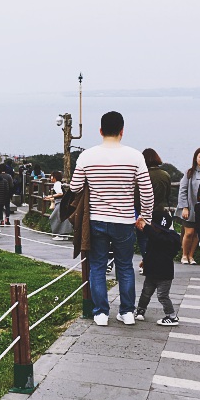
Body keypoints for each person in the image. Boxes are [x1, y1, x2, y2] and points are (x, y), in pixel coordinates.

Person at [69, 111, 154, 326]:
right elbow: (146, 190)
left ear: (100, 131)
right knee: (125, 266)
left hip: (96, 219)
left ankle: (100, 313)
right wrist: (146, 217)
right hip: (125, 221)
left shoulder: (87, 156)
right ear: (122, 131)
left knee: (97, 265)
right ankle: (127, 312)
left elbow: (75, 187)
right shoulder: (135, 156)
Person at [134, 211, 181, 326]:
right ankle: (140, 310)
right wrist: (145, 261)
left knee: (162, 296)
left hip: (165, 274)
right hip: (151, 272)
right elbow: (150, 249)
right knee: (146, 292)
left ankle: (172, 316)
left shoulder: (171, 238)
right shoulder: (154, 237)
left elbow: (158, 238)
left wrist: (146, 227)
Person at [136, 148, 171, 273]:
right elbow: (168, 193)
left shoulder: (142, 176)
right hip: (160, 211)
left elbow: (136, 196)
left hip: (144, 211)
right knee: (156, 238)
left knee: (143, 239)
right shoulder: (165, 175)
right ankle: (155, 263)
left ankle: (147, 263)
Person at [44, 171, 67, 241]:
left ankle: (59, 234)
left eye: (52, 176)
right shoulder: (59, 183)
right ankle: (64, 235)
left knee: (54, 217)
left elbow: (60, 193)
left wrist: (50, 196)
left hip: (60, 203)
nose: (51, 178)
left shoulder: (57, 184)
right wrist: (51, 198)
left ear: (55, 177)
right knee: (62, 218)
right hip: (62, 202)